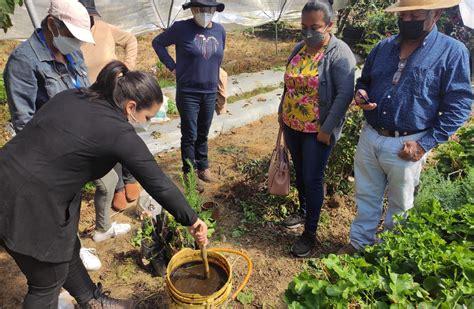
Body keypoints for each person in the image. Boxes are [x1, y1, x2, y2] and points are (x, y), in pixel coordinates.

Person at [0, 60, 209, 308]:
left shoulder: (75, 96)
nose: (147, 122)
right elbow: (159, 183)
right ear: (131, 106)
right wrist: (192, 219)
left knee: (66, 248)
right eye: (147, 117)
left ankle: (91, 299)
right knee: (46, 282)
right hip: (30, 203)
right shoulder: (117, 131)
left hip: (12, 178)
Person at [338, 0, 473, 255]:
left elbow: (460, 105)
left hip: (408, 143)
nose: (408, 19)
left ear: (436, 14)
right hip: (371, 136)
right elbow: (364, 80)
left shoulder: (451, 52)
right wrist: (361, 94)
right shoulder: (383, 47)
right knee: (366, 196)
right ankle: (358, 246)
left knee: (400, 205)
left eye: (415, 14)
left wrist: (424, 144)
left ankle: (389, 254)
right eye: (404, 15)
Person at [3, 0, 102, 271]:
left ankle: (74, 252)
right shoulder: (24, 61)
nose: (76, 44)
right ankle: (56, 272)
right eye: (72, 36)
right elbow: (25, 122)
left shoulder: (73, 55)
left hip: (76, 151)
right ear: (51, 24)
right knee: (53, 215)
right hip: (50, 157)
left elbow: (85, 95)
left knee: (71, 208)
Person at [278, 0, 356, 257]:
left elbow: (344, 95)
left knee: (312, 178)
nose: (308, 32)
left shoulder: (339, 53)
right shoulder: (299, 48)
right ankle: (303, 211)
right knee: (300, 171)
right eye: (304, 27)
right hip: (292, 125)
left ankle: (310, 233)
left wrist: (327, 128)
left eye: (315, 27)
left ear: (330, 25)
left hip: (317, 130)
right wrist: (282, 111)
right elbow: (288, 84)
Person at [78, 0, 138, 242]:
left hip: (116, 94)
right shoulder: (71, 39)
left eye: (91, 16)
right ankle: (119, 190)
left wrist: (127, 70)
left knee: (124, 136)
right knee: (106, 146)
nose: (89, 21)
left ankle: (130, 179)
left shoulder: (104, 28)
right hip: (90, 101)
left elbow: (131, 40)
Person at [153, 0, 226, 191]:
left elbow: (218, 59)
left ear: (214, 10)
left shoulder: (219, 31)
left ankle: (203, 166)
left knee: (203, 131)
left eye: (208, 9)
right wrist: (172, 67)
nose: (204, 12)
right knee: (190, 134)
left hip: (209, 91)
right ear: (192, 9)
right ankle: (189, 172)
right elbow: (158, 43)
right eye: (199, 9)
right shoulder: (181, 28)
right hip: (188, 92)